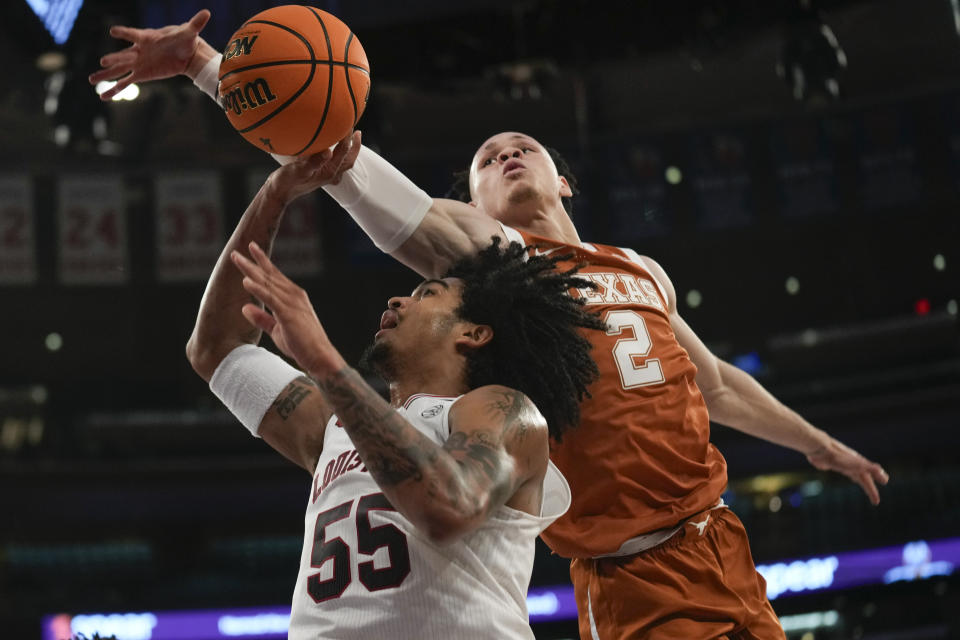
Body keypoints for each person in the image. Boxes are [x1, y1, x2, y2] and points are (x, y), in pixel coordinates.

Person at [94, 12, 890, 638]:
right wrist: (210, 68)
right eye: (485, 157)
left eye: (523, 146)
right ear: (469, 209)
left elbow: (715, 384)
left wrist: (814, 442)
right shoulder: (501, 261)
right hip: (631, 568)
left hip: (720, 537)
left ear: (565, 180)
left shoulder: (639, 269)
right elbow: (358, 177)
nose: (506, 152)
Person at [184, 151, 606, 639]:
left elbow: (450, 508)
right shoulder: (336, 425)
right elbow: (218, 350)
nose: (398, 299)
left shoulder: (505, 413)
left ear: (473, 333)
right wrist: (274, 193)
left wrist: (325, 362)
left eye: (428, 293)